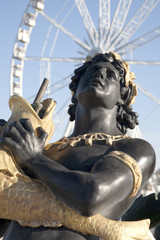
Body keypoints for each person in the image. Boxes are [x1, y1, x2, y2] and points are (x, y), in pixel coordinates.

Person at [1, 52, 156, 240]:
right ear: (75, 89)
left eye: (111, 75)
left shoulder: (134, 148)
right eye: (93, 70)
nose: (99, 74)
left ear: (122, 97)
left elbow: (91, 196)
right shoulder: (43, 149)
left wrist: (33, 159)